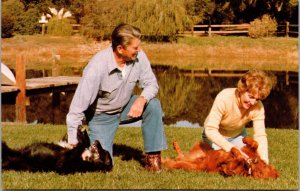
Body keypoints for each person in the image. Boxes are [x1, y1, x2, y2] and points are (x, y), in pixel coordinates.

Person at [66, 23, 167, 171]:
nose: (139, 50)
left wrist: (141, 99)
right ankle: (85, 142)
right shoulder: (96, 67)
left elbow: (152, 84)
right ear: (120, 49)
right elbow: (77, 107)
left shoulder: (140, 57)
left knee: (153, 105)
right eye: (135, 48)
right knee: (104, 165)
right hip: (101, 116)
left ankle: (153, 159)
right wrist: (72, 140)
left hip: (125, 106)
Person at [202, 69, 276, 164]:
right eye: (251, 97)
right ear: (242, 90)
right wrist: (232, 149)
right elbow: (210, 130)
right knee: (223, 160)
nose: (253, 102)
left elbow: (260, 135)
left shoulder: (258, 107)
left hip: (237, 136)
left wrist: (264, 161)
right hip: (213, 136)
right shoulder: (224, 97)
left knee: (247, 159)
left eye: (257, 99)